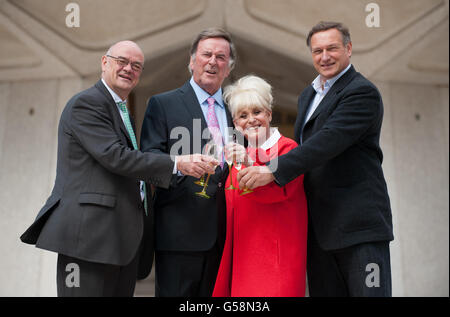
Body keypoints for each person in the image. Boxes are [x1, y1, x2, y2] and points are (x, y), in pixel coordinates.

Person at [20, 40, 216, 297]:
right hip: (89, 239)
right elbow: (117, 157)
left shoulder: (120, 109)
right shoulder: (88, 103)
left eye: (136, 66)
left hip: (119, 242)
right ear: (104, 62)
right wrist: (177, 163)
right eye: (122, 62)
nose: (129, 69)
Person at [237, 22, 394, 297]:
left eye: (332, 48)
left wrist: (272, 170)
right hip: (319, 229)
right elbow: (304, 149)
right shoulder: (308, 95)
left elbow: (327, 142)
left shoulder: (361, 92)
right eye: (317, 50)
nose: (325, 56)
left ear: (348, 48)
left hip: (358, 227)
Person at [140, 28, 236, 297]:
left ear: (228, 68)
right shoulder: (163, 104)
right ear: (192, 61)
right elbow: (149, 160)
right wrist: (180, 164)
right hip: (180, 232)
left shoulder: (236, 109)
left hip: (229, 235)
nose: (212, 61)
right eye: (206, 54)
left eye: (221, 57)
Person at [212, 75, 308, 297]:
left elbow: (274, 193)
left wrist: (247, 163)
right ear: (235, 123)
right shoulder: (238, 156)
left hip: (276, 261)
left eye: (257, 112)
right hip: (242, 258)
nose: (251, 120)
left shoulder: (288, 149)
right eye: (243, 116)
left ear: (269, 114)